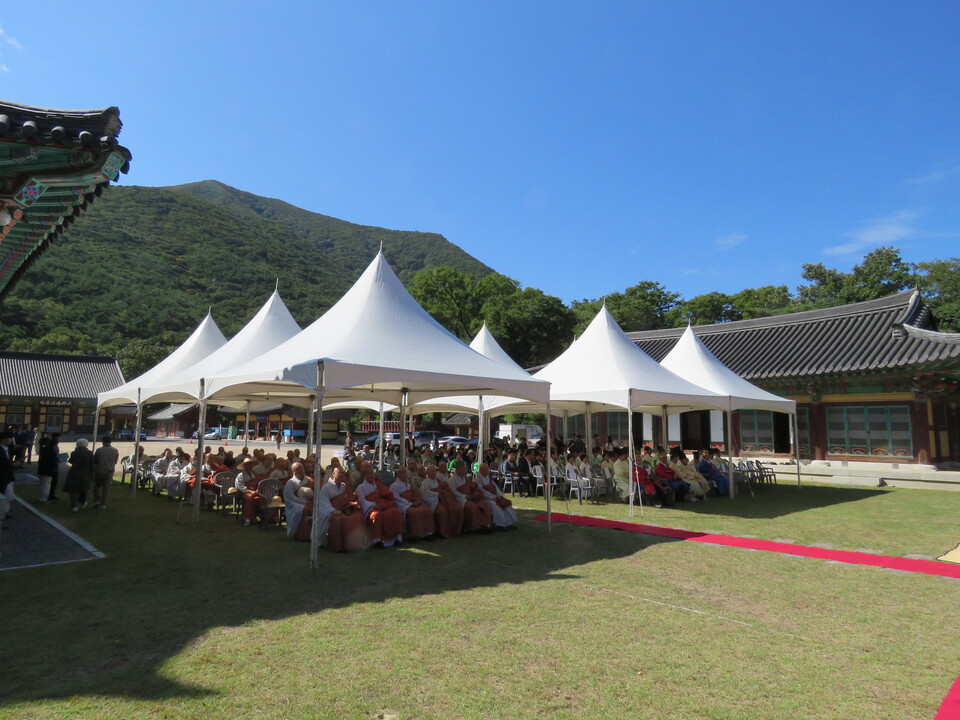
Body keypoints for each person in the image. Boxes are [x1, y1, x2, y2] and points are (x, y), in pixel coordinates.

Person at [355, 466, 404, 547]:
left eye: (372, 473)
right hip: (371, 508)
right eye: (369, 474)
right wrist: (374, 505)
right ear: (364, 476)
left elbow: (386, 494)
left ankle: (397, 537)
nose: (371, 476)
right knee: (377, 515)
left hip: (382, 505)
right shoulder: (360, 488)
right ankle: (377, 540)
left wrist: (383, 504)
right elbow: (361, 501)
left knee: (396, 512)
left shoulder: (378, 484)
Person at [390, 467, 435, 540]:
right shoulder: (393, 486)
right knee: (414, 512)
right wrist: (410, 504)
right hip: (404, 506)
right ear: (397, 474)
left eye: (405, 472)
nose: (404, 475)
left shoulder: (408, 484)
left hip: (412, 502)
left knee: (427, 510)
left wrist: (416, 500)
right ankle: (414, 535)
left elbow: (414, 494)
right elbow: (396, 499)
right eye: (401, 473)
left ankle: (428, 533)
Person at [419, 465, 463, 538]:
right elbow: (425, 495)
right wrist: (438, 494)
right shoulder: (425, 483)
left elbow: (445, 489)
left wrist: (441, 494)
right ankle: (441, 532)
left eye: (434, 471)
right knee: (442, 511)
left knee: (455, 508)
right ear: (427, 472)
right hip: (433, 502)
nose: (433, 473)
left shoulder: (438, 481)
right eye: (431, 471)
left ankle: (453, 529)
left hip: (442, 500)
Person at [449, 464, 493, 531]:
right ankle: (475, 526)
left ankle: (485, 524)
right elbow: (453, 492)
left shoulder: (465, 479)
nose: (465, 471)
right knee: (472, 507)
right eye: (463, 469)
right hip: (461, 499)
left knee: (483, 504)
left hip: (471, 497)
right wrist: (466, 496)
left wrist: (475, 494)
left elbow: (474, 487)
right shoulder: (452, 480)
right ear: (457, 470)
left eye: (465, 469)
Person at [475, 463, 516, 529]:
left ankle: (509, 523)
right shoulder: (477, 480)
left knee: (506, 502)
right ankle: (500, 525)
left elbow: (495, 487)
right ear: (481, 470)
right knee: (495, 506)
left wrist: (500, 496)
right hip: (486, 499)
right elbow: (482, 491)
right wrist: (493, 497)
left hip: (495, 497)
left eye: (487, 469)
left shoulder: (488, 478)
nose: (487, 471)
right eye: (486, 470)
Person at [64, 438, 95, 511]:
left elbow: (71, 461)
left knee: (74, 490)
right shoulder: (90, 453)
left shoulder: (74, 453)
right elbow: (92, 464)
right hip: (85, 473)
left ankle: (74, 506)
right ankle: (83, 502)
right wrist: (92, 474)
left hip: (74, 472)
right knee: (84, 489)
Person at [92, 435, 119, 509]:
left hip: (99, 470)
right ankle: (103, 503)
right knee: (106, 488)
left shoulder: (99, 450)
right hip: (109, 471)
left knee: (97, 486)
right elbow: (115, 461)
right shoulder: (115, 450)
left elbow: (95, 460)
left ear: (103, 442)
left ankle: (96, 501)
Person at [36, 433, 60, 502]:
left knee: (42, 484)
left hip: (42, 469)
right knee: (46, 484)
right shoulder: (51, 450)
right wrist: (57, 460)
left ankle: (41, 497)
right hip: (48, 469)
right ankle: (44, 498)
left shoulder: (43, 449)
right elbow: (52, 459)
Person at [0, 431, 14, 525]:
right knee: (6, 496)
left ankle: (4, 513)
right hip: (2, 477)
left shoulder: (7, 449)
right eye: (8, 438)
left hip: (7, 476)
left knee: (8, 496)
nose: (10, 440)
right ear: (3, 439)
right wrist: (12, 464)